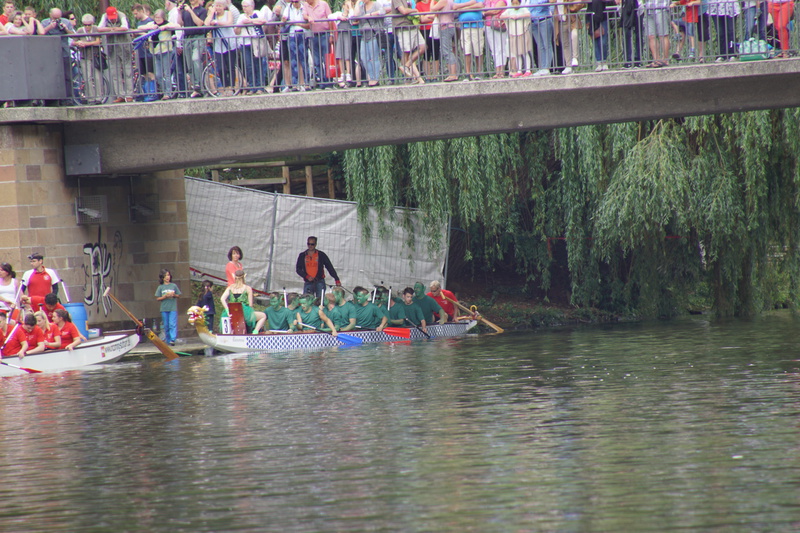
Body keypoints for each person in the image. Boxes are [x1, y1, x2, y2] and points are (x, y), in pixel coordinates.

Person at [98, 6, 134, 103]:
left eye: (114, 18)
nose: (112, 19)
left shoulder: (122, 15)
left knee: (128, 71)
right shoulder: (105, 16)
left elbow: (125, 27)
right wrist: (113, 29)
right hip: (112, 48)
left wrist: (111, 29)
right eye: (111, 18)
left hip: (124, 47)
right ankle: (120, 95)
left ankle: (129, 95)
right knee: (115, 72)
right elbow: (99, 28)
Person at [206, 0, 238, 96]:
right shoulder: (213, 15)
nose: (218, 8)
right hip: (218, 45)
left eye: (220, 6)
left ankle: (231, 88)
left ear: (224, 7)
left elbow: (229, 23)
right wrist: (211, 13)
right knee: (220, 68)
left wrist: (217, 22)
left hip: (229, 43)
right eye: (216, 6)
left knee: (230, 66)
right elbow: (206, 23)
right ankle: (225, 86)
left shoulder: (228, 13)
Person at [220, 270, 266, 334]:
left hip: (232, 312)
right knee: (263, 316)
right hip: (244, 313)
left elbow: (222, 299)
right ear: (244, 277)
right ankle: (255, 332)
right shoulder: (247, 288)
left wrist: (227, 310)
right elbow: (250, 305)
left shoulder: (230, 288)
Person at [392, 0, 427, 84]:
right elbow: (403, 11)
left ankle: (406, 66)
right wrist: (415, 10)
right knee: (406, 52)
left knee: (423, 47)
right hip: (403, 27)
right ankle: (409, 78)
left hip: (412, 26)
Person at [180, 0, 209, 98]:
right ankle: (195, 88)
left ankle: (198, 84)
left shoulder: (202, 10)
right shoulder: (185, 11)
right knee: (189, 65)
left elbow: (200, 23)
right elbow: (180, 23)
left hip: (198, 37)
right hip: (187, 38)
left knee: (195, 59)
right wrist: (179, 12)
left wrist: (190, 11)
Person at [281, 0, 311, 91]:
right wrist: (284, 20)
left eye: (296, 2)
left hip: (302, 34)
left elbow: (308, 24)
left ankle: (307, 83)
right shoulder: (288, 8)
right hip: (292, 35)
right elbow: (283, 21)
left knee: (304, 59)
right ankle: (294, 84)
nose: (294, 3)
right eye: (293, 2)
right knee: (293, 60)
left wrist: (297, 23)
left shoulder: (304, 7)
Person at [354, 0, 384, 86]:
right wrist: (357, 3)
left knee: (374, 58)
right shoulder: (361, 7)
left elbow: (382, 12)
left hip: (373, 34)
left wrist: (370, 14)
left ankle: (375, 78)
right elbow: (355, 16)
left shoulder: (376, 4)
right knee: (364, 58)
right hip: (364, 35)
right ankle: (371, 77)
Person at [453, 0, 483, 81]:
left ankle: (479, 73)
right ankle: (468, 74)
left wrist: (463, 8)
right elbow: (455, 7)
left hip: (476, 26)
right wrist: (471, 4)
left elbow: (480, 5)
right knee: (467, 50)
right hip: (464, 27)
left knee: (478, 50)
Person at [503, 0, 532, 76]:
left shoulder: (523, 9)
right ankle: (519, 71)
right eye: (513, 3)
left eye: (517, 3)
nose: (515, 5)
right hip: (513, 34)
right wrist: (510, 16)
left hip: (522, 33)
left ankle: (528, 70)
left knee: (525, 52)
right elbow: (502, 16)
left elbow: (528, 14)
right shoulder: (509, 10)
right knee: (517, 53)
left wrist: (518, 16)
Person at [432, 0, 459, 82]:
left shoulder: (444, 1)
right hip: (448, 27)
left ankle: (453, 74)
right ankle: (451, 73)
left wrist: (432, 1)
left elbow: (432, 9)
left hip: (446, 27)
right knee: (445, 50)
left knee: (447, 50)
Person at [527, 0, 555, 76]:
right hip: (533, 21)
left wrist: (540, 2)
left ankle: (547, 67)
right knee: (540, 46)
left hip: (544, 19)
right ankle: (542, 68)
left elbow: (551, 1)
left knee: (547, 45)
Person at [155, 268, 181, 345]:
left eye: (168, 275)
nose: (167, 277)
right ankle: (168, 339)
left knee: (172, 324)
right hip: (164, 309)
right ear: (162, 277)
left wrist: (174, 295)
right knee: (166, 325)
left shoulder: (173, 285)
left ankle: (173, 339)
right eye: (166, 275)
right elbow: (158, 298)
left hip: (172, 308)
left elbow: (179, 295)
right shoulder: (160, 287)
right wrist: (165, 296)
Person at [483, 0, 508, 79]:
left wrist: (485, 13)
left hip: (499, 25)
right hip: (488, 25)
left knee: (501, 48)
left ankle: (502, 71)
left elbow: (495, 11)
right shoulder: (486, 1)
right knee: (494, 49)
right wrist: (487, 12)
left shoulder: (501, 1)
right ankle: (497, 71)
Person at [618, 0, 642, 67]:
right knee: (626, 36)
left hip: (637, 10)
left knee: (638, 35)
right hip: (624, 10)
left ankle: (638, 60)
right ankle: (627, 60)